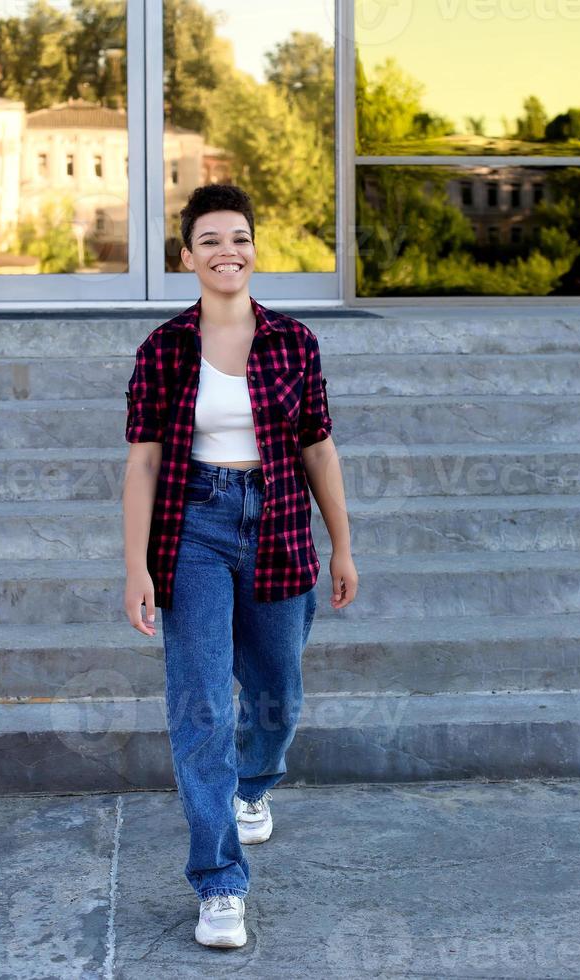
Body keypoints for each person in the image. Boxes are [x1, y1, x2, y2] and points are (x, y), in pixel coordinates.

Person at [122, 184, 358, 949]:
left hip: (280, 520)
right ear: (187, 257)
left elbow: (319, 446)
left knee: (278, 694)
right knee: (200, 708)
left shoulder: (294, 342)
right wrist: (136, 567)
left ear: (255, 249)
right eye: (212, 241)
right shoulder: (164, 349)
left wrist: (343, 544)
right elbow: (144, 464)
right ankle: (219, 883)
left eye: (242, 238)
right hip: (193, 526)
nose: (229, 252)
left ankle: (254, 788)